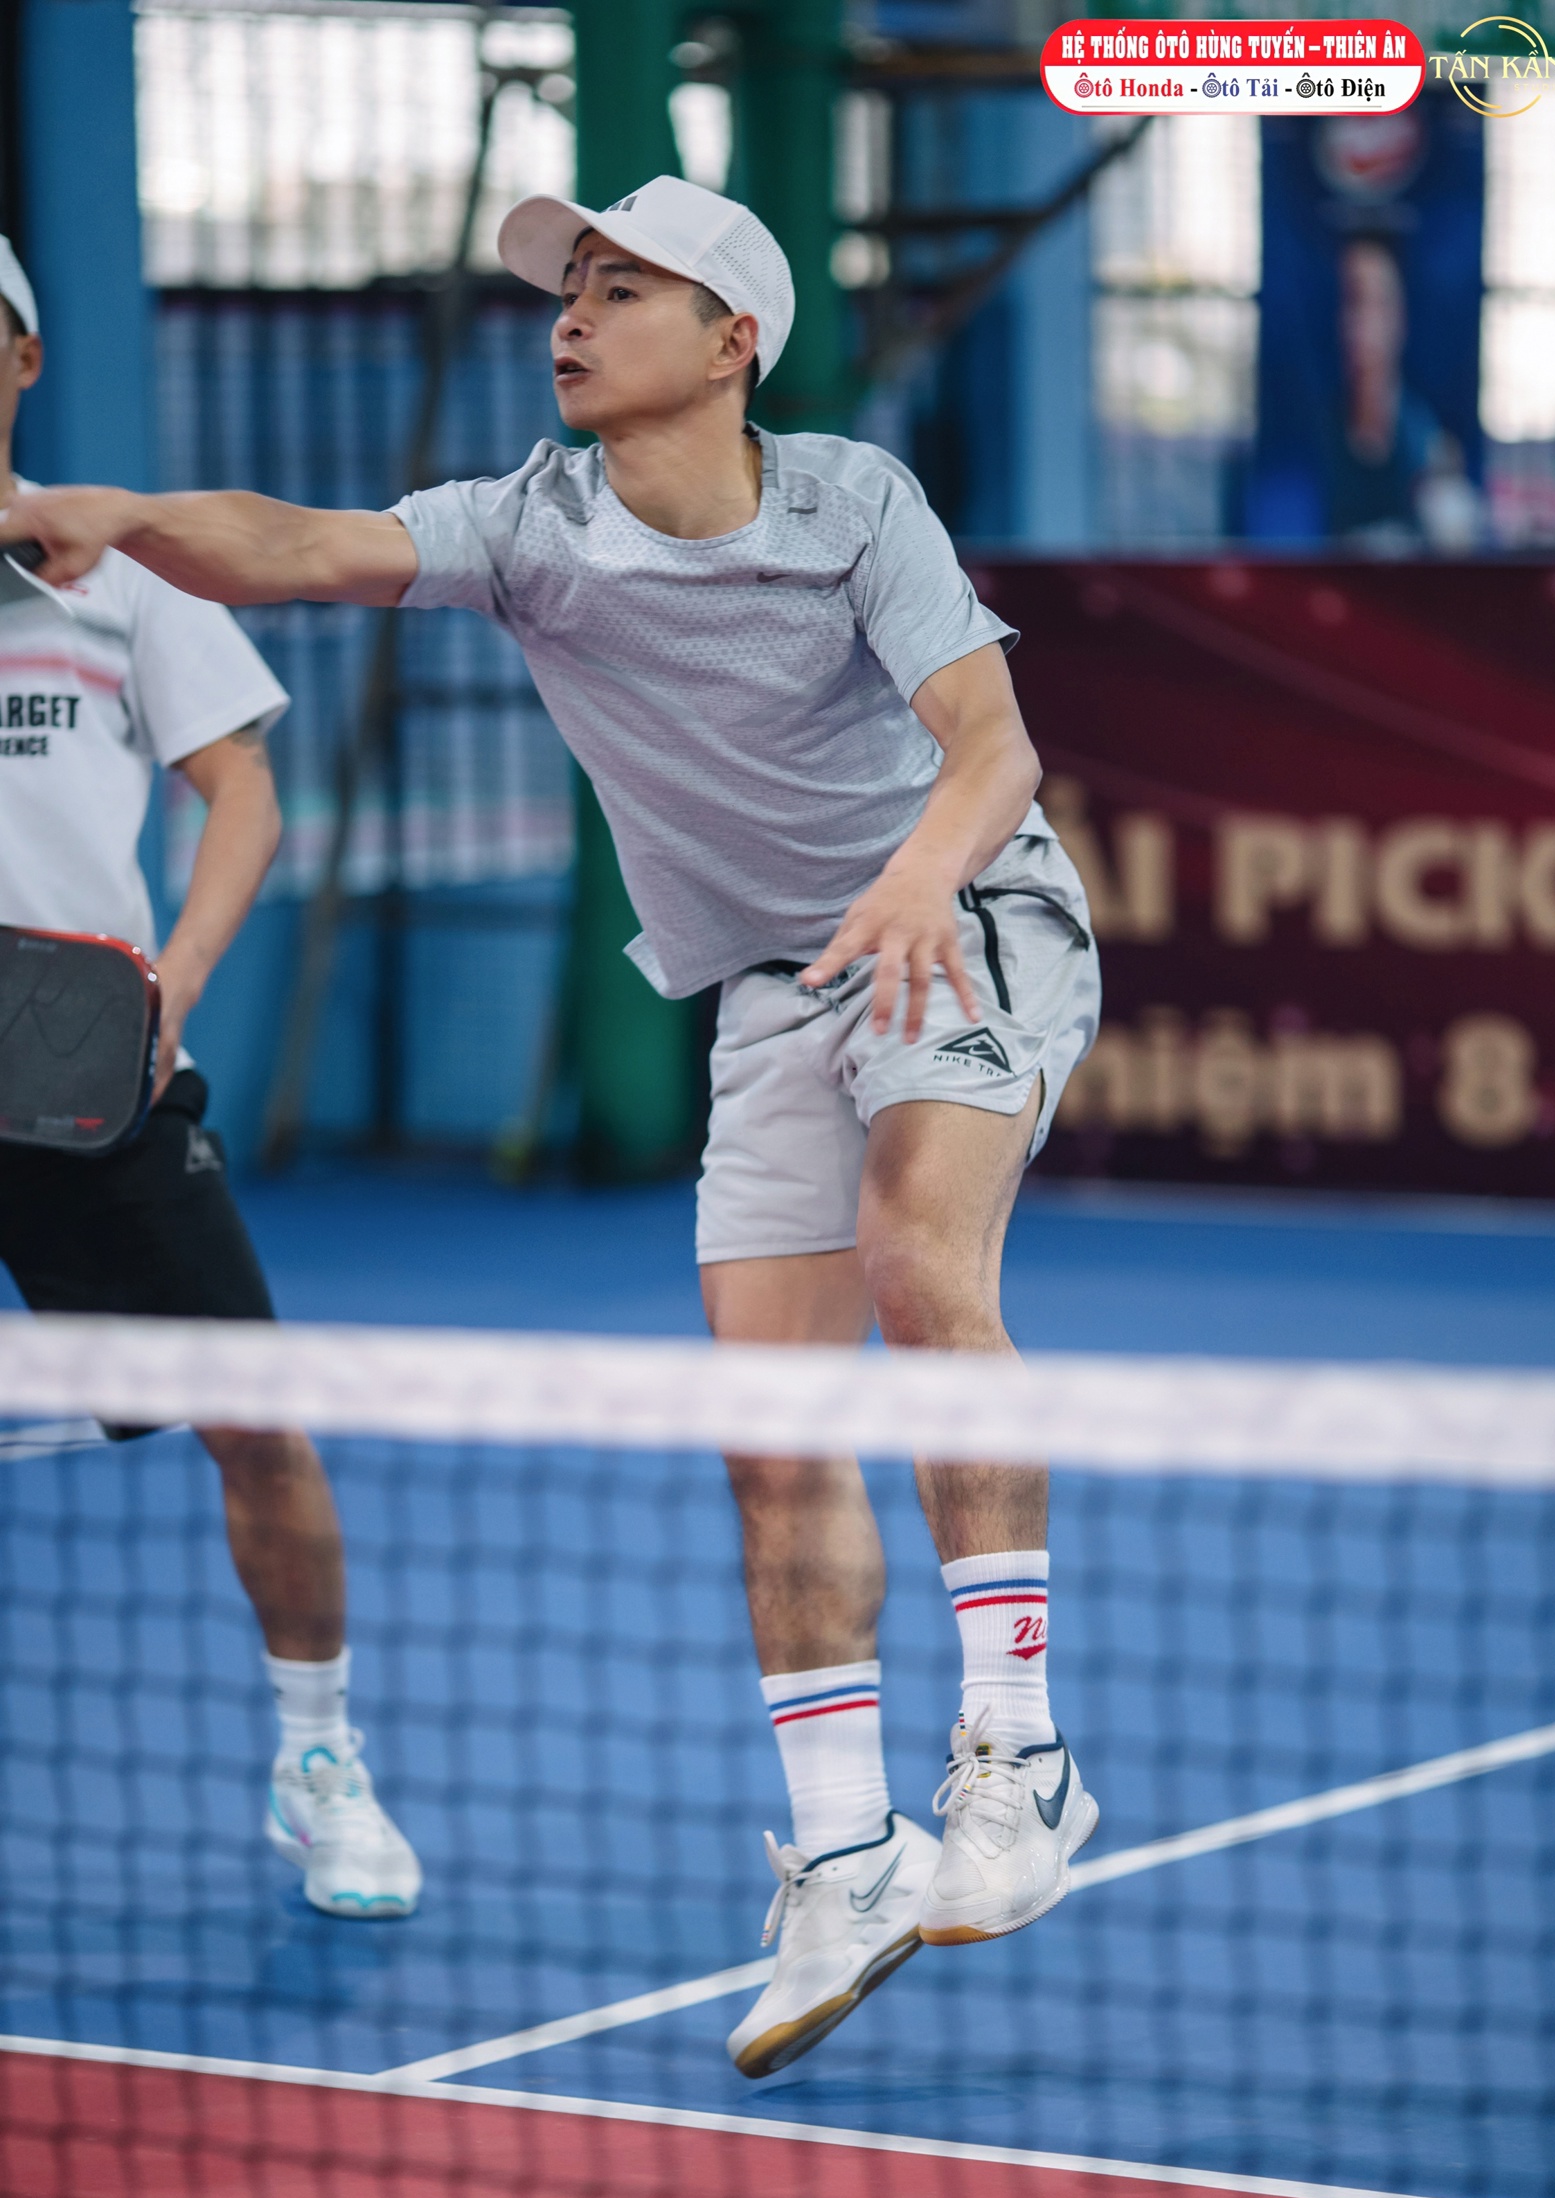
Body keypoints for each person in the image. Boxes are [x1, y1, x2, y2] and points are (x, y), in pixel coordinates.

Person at [0, 175, 1101, 2073]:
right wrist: (122, 513)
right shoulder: (530, 526)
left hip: (962, 920)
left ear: (732, 340)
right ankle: (848, 1855)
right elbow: (295, 544)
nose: (570, 318)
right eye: (565, 290)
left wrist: (925, 872)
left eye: (620, 288)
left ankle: (1018, 1753)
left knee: (922, 1265)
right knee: (768, 1435)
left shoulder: (853, 502)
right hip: (767, 988)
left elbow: (990, 741)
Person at [0, 237, 419, 1920]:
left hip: (85, 1068)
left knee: (255, 1422)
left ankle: (321, 1761)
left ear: (24, 360)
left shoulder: (126, 575)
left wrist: (176, 974)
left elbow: (242, 793)